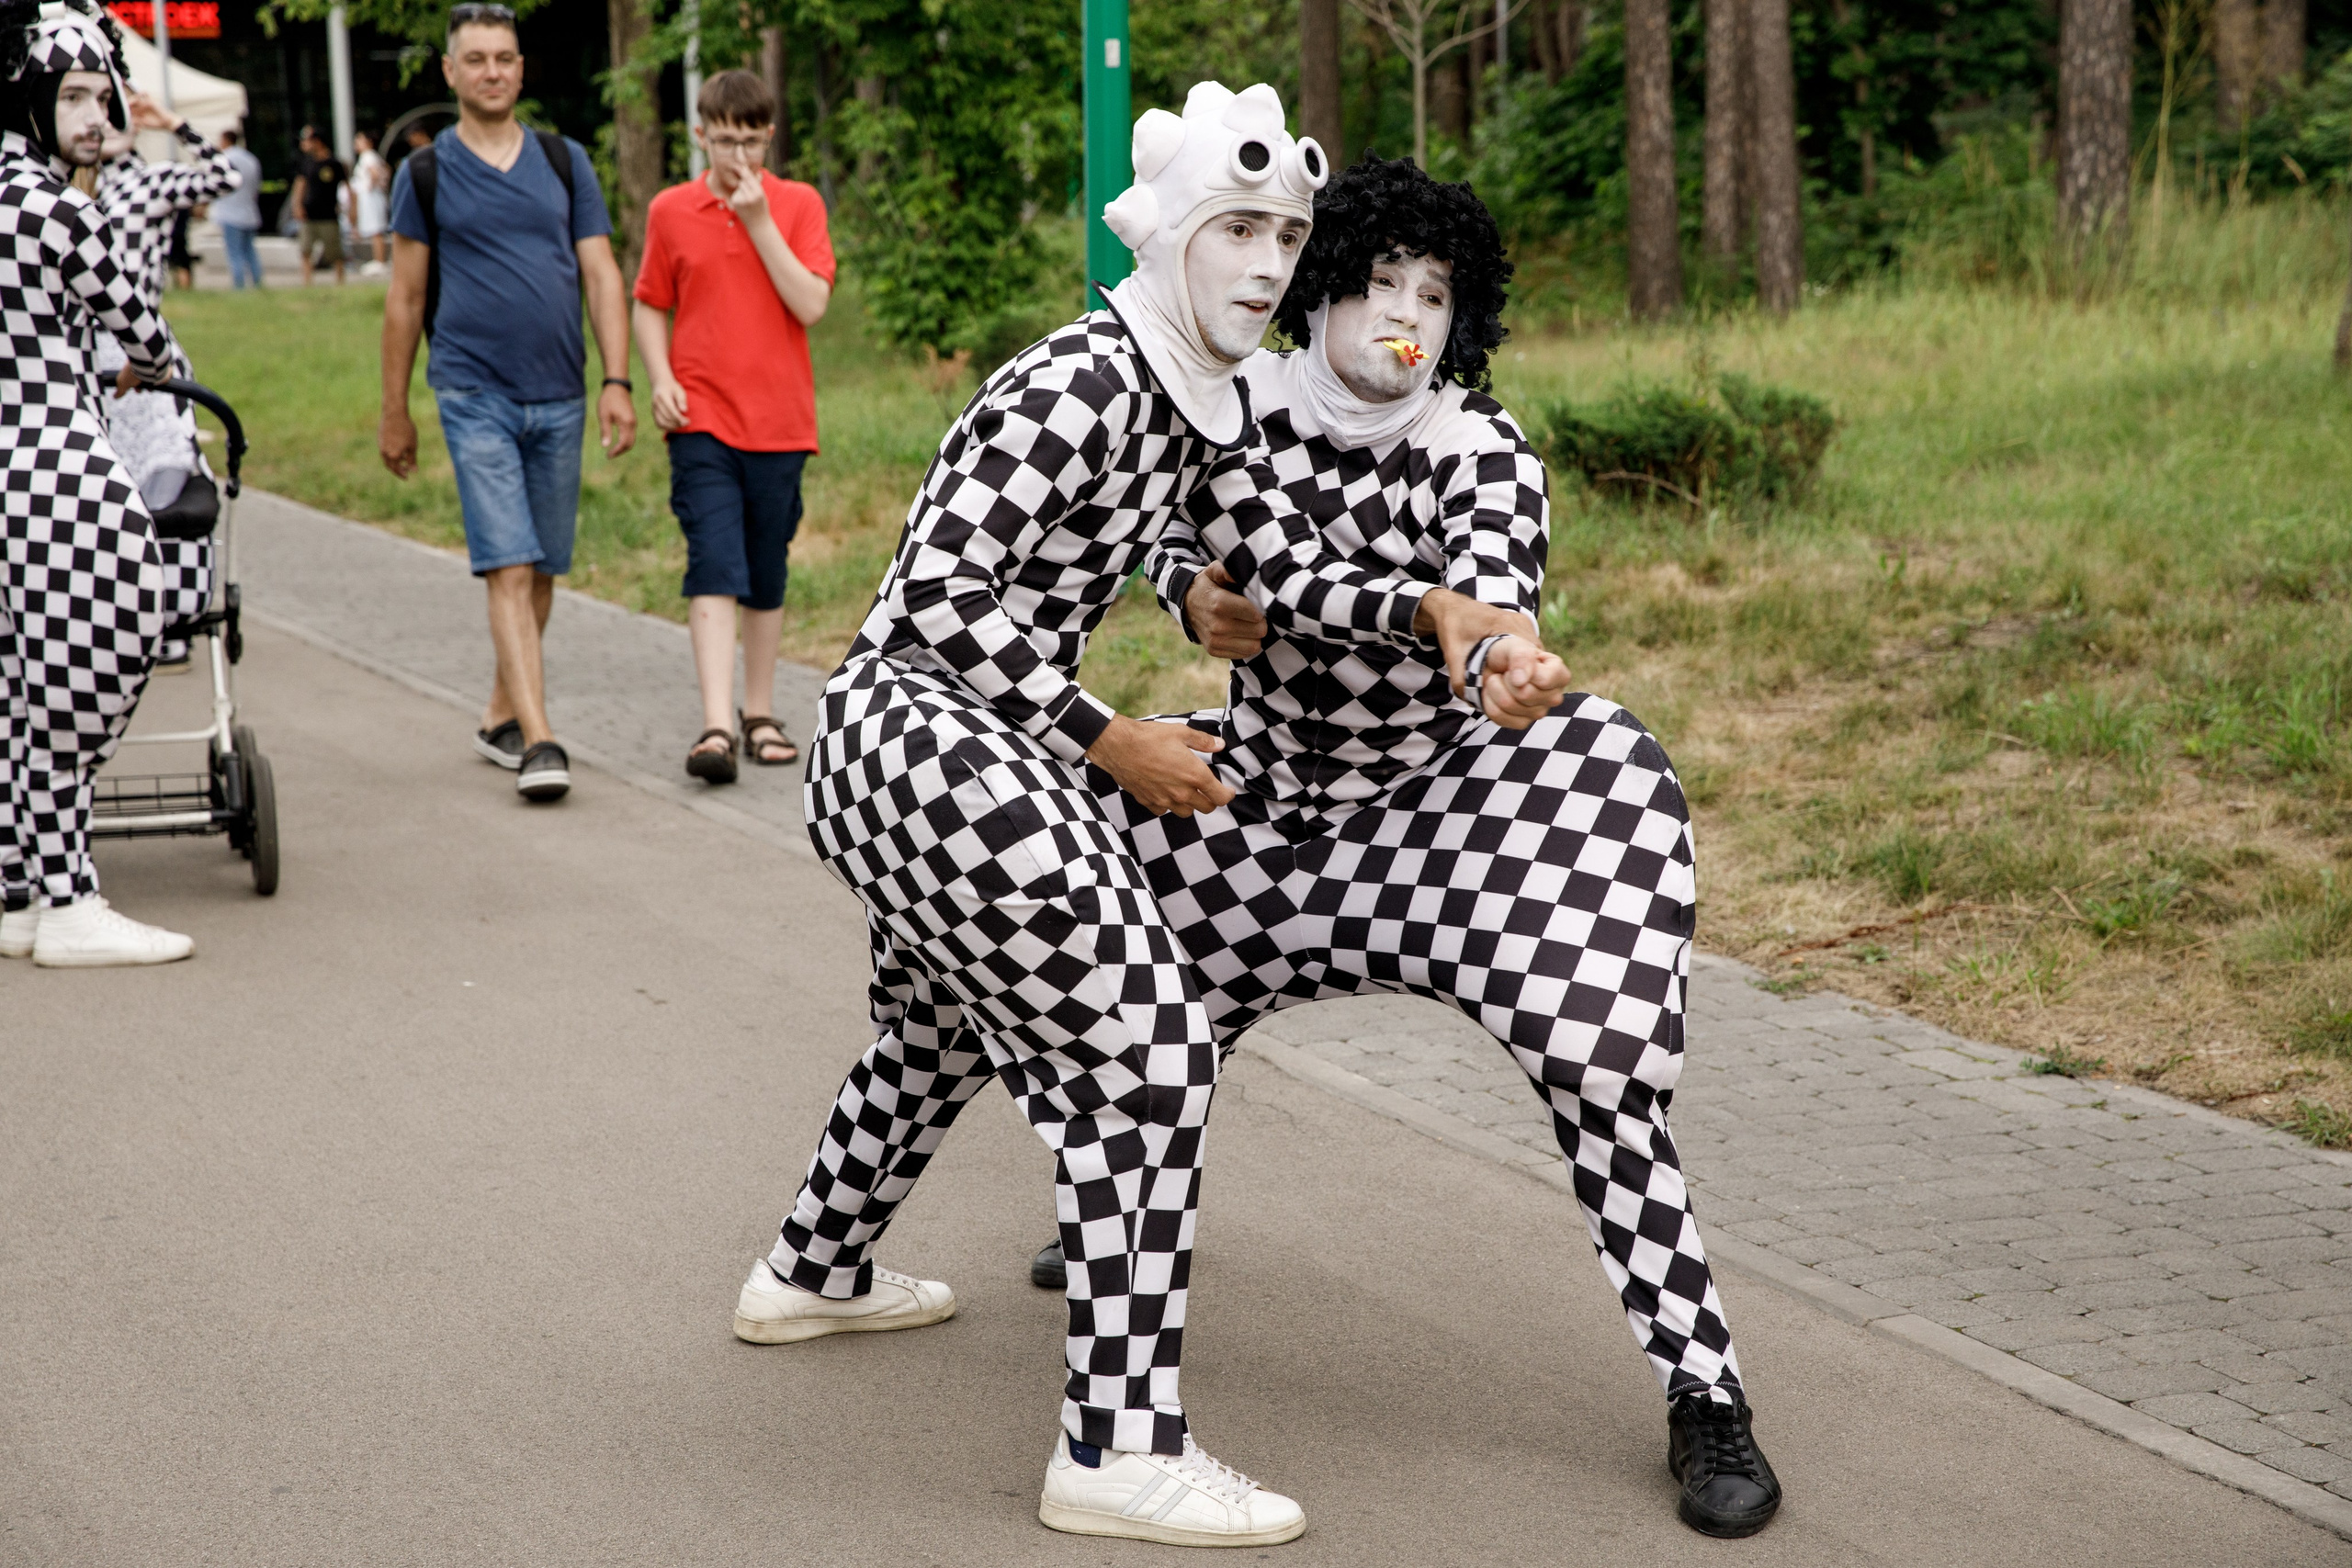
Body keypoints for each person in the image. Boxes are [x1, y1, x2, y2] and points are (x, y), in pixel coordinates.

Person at [732, 82, 1563, 1548]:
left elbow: (1284, 569)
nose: (1267, 264)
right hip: (913, 733)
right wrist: (1107, 737)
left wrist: (1435, 609)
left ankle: (810, 1271)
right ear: (1173, 235)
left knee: (936, 1029)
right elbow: (934, 596)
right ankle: (1119, 1447)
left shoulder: (1204, 399)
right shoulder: (1087, 377)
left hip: (961, 749)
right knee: (1156, 1053)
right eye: (1237, 229)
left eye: (1287, 237)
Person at [1018, 155, 1783, 1539]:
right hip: (1256, 813)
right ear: (1319, 287)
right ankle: (925, 1245)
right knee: (1036, 960)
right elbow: (1163, 530)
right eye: (1379, 283)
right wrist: (1188, 597)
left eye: (1433, 295)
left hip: (1444, 824)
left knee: (1603, 1083)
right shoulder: (1232, 407)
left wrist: (1497, 659)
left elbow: (1490, 598)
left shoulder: (1481, 447)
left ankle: (1705, 1391)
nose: (1402, 318)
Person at [379, 3, 636, 804]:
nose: (491, 71)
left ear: (521, 70)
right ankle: (540, 738)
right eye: (476, 59)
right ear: (450, 72)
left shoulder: (565, 160)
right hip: (471, 390)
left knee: (544, 569)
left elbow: (601, 273)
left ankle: (498, 714)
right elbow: (405, 298)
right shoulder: (425, 173)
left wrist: (617, 381)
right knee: (510, 563)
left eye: (504, 58)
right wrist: (394, 408)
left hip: (560, 393)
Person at [0, 0, 190, 968]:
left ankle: (17, 893)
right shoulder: (58, 208)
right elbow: (147, 338)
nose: (94, 118)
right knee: (95, 659)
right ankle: (70, 901)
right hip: (50, 454)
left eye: (99, 96)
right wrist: (143, 363)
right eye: (71, 96)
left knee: (16, 684)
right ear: (27, 95)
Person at [631, 68, 833, 784]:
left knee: (765, 568)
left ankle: (759, 713)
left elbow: (810, 303)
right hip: (702, 419)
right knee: (713, 559)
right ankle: (716, 726)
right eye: (724, 141)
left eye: (751, 141)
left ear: (769, 136)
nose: (738, 156)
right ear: (700, 136)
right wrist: (660, 377)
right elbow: (650, 301)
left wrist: (758, 221)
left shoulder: (799, 204)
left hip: (780, 422)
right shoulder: (670, 210)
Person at [90, 88, 240, 671]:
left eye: (111, 106)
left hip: (139, 350)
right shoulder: (54, 189)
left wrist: (175, 124)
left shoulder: (146, 183)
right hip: (73, 351)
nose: (102, 121)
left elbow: (225, 176)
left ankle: (166, 614)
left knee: (160, 480)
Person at [208, 126, 263, 288]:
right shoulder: (251, 159)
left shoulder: (223, 159)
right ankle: (258, 282)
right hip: (249, 211)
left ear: (225, 140)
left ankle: (239, 285)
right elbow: (256, 186)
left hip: (229, 213)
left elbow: (215, 184)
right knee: (250, 251)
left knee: (234, 253)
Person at [289, 124, 344, 285]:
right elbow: (300, 185)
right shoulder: (306, 163)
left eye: (307, 140)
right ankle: (308, 282)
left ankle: (340, 282)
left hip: (328, 215)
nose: (304, 144)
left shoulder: (334, 163)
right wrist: (297, 206)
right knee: (306, 250)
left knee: (334, 252)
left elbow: (347, 187)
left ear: (317, 141)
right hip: (309, 214)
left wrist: (351, 209)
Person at [352, 128, 388, 276]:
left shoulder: (368, 156)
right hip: (371, 196)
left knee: (376, 230)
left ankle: (380, 261)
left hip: (371, 197)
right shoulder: (370, 156)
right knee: (374, 230)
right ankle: (378, 260)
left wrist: (370, 186)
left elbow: (375, 173)